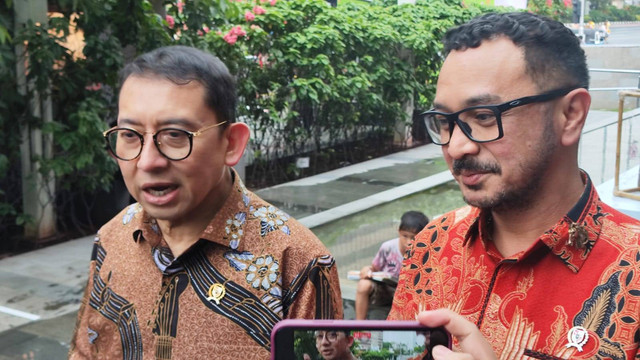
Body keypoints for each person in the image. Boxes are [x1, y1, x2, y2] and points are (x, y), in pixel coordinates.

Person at [388, 12, 640, 359]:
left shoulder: (633, 273)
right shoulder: (431, 244)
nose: (457, 147)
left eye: (484, 117)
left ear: (570, 115)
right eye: (445, 122)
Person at [69, 46, 343, 359]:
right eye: (130, 135)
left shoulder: (298, 264)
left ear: (231, 143)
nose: (147, 162)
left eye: (174, 135)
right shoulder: (111, 238)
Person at [355, 211, 429, 320]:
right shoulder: (388, 247)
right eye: (405, 236)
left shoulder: (425, 253)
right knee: (363, 284)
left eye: (413, 238)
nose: (408, 242)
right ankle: (359, 326)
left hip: (408, 295)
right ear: (398, 231)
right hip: (386, 290)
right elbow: (375, 268)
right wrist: (367, 270)